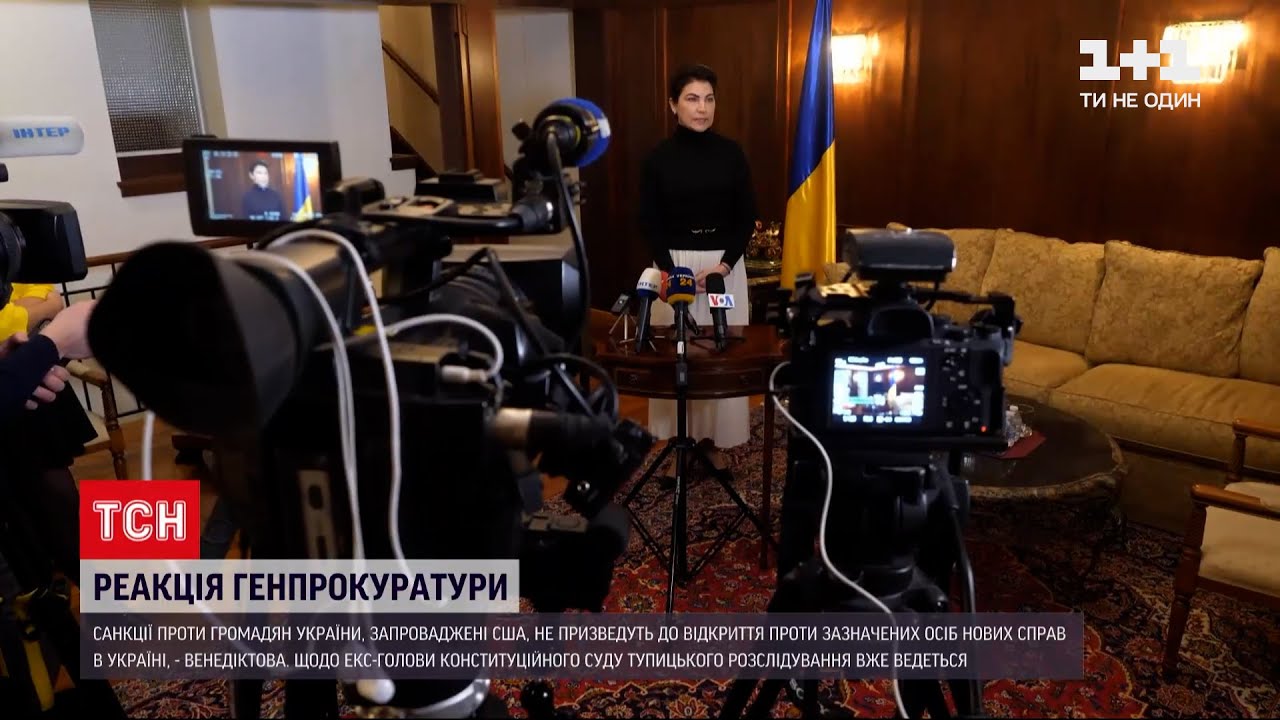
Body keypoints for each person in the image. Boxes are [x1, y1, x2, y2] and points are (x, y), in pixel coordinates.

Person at [638, 63, 757, 452]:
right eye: (692, 99)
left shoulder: (732, 154)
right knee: (677, 359)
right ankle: (678, 444)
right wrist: (673, 272)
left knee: (721, 357)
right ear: (673, 104)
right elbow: (649, 221)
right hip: (673, 268)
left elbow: (745, 217)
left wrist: (723, 265)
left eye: (709, 99)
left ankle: (714, 445)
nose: (702, 108)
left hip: (725, 267)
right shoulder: (658, 158)